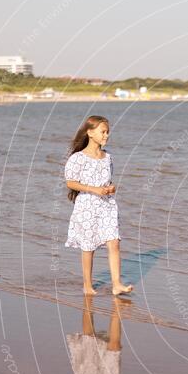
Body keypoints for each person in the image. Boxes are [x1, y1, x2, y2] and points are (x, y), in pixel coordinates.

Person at [64, 115, 133, 295]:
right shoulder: (77, 158)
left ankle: (117, 284)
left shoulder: (107, 157)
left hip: (107, 205)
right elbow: (70, 182)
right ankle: (87, 285)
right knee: (89, 247)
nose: (106, 135)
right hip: (86, 206)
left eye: (108, 132)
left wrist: (110, 188)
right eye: (103, 131)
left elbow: (107, 181)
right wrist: (94, 189)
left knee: (114, 242)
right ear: (90, 132)